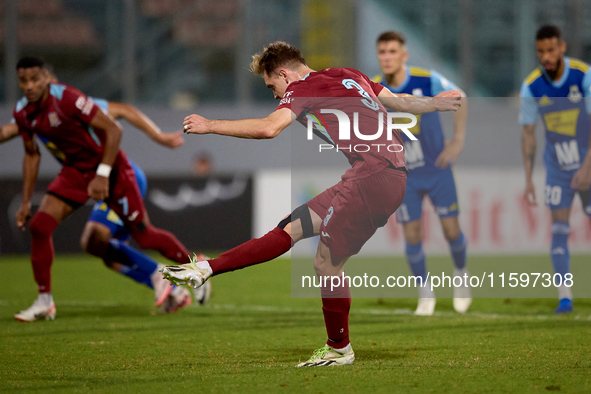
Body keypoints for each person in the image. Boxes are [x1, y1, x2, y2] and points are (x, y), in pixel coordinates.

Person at [160, 41, 461, 366]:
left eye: (272, 86)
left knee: (326, 265)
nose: (275, 95)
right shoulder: (351, 75)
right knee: (290, 228)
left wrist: (210, 125)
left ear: (284, 74)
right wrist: (433, 104)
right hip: (377, 174)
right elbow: (400, 102)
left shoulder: (303, 87)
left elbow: (268, 128)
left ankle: (339, 349)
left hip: (373, 176)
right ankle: (206, 269)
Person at [11, 56, 197, 322]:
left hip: (112, 171)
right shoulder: (22, 112)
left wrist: (105, 172)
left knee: (144, 236)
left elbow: (115, 125)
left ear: (46, 77)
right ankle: (44, 301)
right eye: (23, 81)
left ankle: (197, 269)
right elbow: (31, 155)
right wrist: (26, 201)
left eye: (34, 79)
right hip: (75, 173)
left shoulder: (68, 98)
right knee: (41, 225)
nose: (29, 86)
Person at [372, 31, 470, 315]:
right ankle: (425, 294)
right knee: (412, 235)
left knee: (452, 231)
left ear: (404, 55)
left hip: (437, 169)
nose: (387, 57)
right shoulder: (374, 87)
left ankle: (461, 277)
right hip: (404, 176)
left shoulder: (427, 80)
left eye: (392, 52)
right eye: (382, 52)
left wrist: (458, 140)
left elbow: (459, 96)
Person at [519, 25, 591, 314]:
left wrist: (587, 167)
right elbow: (528, 134)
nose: (546, 57)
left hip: (588, 164)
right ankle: (565, 297)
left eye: (550, 50)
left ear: (562, 48)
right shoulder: (532, 86)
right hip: (558, 170)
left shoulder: (583, 76)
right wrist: (528, 178)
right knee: (559, 229)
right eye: (540, 52)